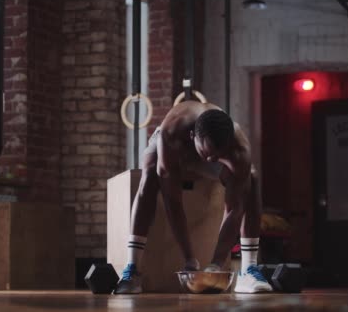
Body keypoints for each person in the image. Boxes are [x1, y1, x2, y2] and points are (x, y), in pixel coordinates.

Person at [114, 100, 272, 294]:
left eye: (217, 155)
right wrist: (190, 259)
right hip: (177, 151)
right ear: (192, 136)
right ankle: (132, 270)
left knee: (252, 177)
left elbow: (235, 208)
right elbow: (173, 201)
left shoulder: (238, 148)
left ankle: (249, 270)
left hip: (208, 150)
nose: (211, 160)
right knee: (149, 174)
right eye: (208, 154)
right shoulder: (171, 133)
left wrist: (215, 265)